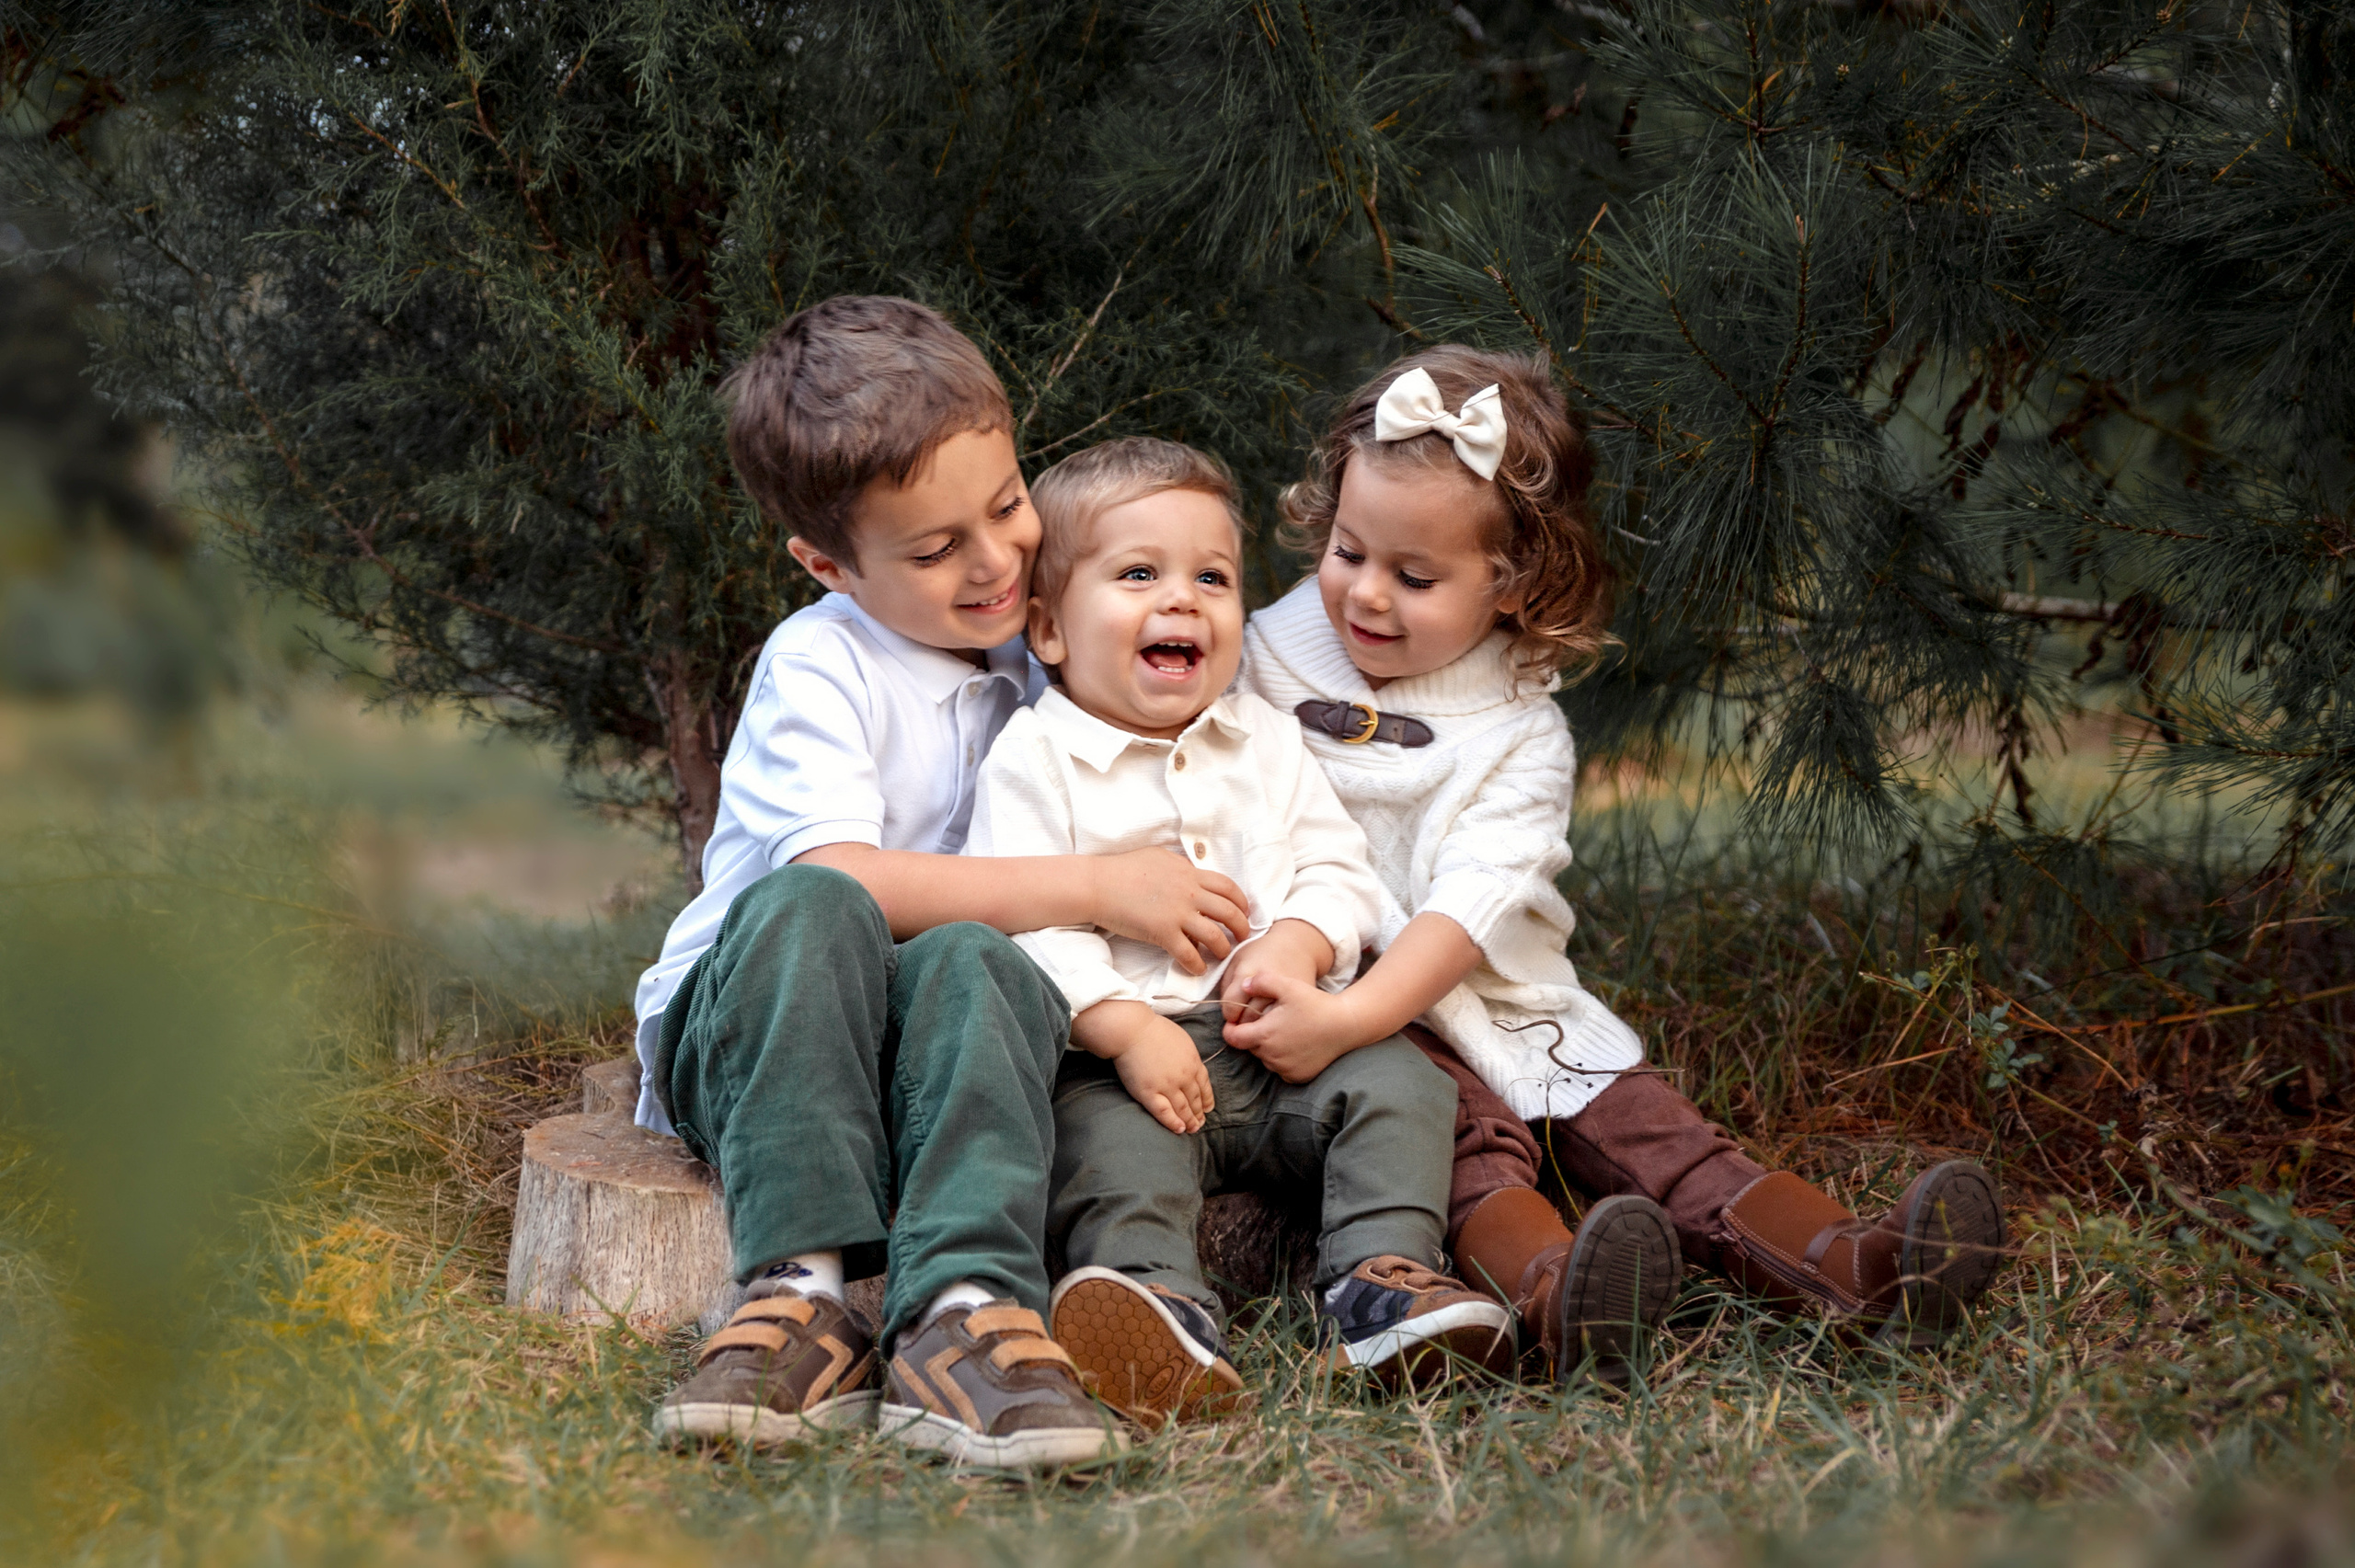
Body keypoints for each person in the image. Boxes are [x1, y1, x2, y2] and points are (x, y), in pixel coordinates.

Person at [1229, 347, 2008, 1376]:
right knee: (1462, 1149)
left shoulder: (1520, 731)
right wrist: (1339, 1014)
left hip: (1501, 1000)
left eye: (1415, 576)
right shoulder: (1260, 653)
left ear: (1512, 582)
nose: (1366, 595)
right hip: (1339, 998)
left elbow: (1468, 908)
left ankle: (1854, 1266)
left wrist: (1358, 1013)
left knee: (1650, 1127)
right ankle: (1565, 1292)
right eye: (1346, 551)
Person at [637, 298, 1260, 1471]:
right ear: (829, 563)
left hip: (929, 1036)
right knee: (823, 903)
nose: (995, 561)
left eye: (1008, 504)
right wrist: (1103, 885)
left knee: (982, 958)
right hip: (767, 1021)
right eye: (933, 551)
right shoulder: (822, 662)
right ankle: (799, 1294)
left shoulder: (1046, 641)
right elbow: (845, 881)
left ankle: (961, 1310)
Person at [964, 436, 1515, 1432]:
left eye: (1211, 578)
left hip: (1277, 1048)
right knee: (1103, 1155)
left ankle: (1383, 1285)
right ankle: (1157, 1308)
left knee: (1400, 1085)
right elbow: (1022, 925)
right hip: (1120, 1066)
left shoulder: (1259, 735)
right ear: (1046, 628)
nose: (1182, 600)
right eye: (1138, 574)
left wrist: (1301, 943)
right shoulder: (1033, 760)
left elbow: (1335, 866)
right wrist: (1126, 1027)